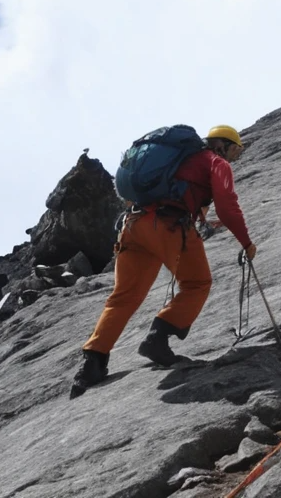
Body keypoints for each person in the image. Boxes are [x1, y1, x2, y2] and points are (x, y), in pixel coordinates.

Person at [73, 125, 255, 393]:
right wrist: (247, 243)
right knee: (196, 284)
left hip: (133, 226)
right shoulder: (216, 163)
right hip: (168, 227)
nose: (235, 157)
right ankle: (158, 338)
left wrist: (208, 223)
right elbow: (228, 206)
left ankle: (92, 363)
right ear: (225, 145)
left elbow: (184, 198)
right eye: (236, 150)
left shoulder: (180, 159)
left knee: (123, 297)